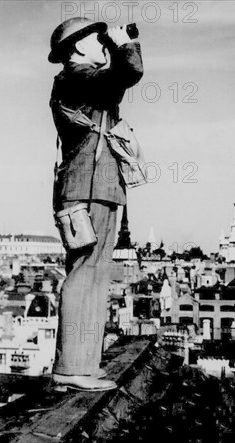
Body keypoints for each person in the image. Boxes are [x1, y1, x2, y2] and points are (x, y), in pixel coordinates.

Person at [47, 17, 143, 391]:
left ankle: (83, 366)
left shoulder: (88, 81)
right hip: (87, 189)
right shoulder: (76, 77)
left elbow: (117, 83)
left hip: (99, 187)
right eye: (95, 39)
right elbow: (127, 73)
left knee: (97, 277)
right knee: (84, 274)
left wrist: (118, 49)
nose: (102, 44)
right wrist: (122, 45)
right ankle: (70, 367)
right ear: (78, 47)